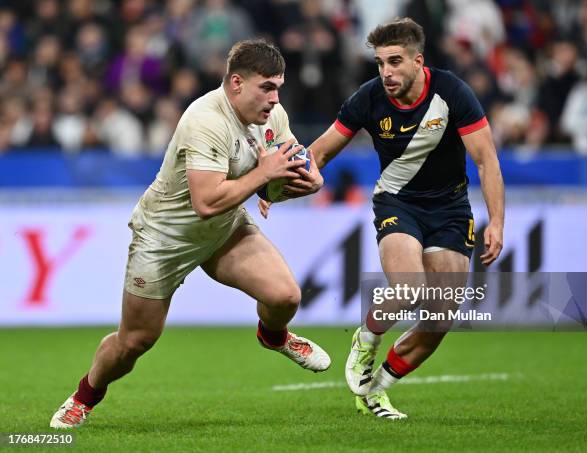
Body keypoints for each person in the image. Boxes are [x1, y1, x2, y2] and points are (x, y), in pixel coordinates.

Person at [50, 39, 331, 429]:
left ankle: (274, 336)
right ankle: (85, 395)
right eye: (266, 87)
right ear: (236, 83)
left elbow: (287, 167)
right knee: (135, 341)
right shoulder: (205, 120)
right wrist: (263, 177)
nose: (274, 98)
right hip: (164, 238)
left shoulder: (273, 115)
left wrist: (307, 180)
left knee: (285, 296)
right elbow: (206, 202)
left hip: (224, 229)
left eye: (278, 87)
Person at [259, 18, 504, 419]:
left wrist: (497, 220)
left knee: (440, 317)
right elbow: (319, 153)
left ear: (417, 60)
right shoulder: (369, 98)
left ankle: (376, 390)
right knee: (408, 289)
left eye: (394, 62)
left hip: (451, 210)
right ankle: (366, 338)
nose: (386, 72)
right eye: (379, 63)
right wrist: (275, 189)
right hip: (397, 204)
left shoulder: (452, 92)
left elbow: (486, 160)